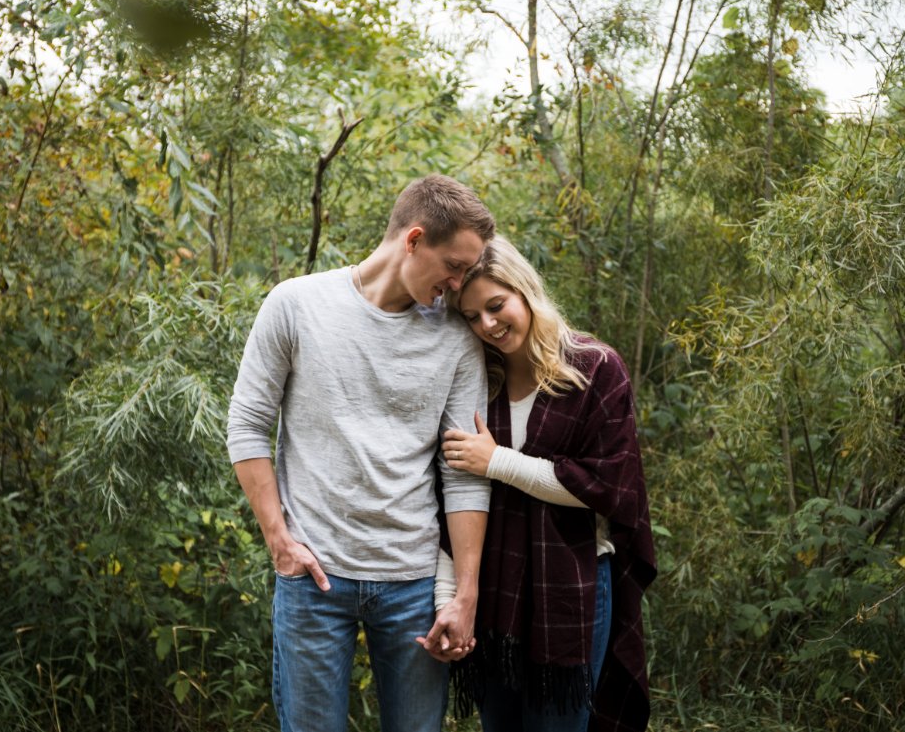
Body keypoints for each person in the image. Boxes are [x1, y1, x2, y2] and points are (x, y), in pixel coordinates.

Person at [226, 174, 495, 732]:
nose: (459, 282)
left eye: (467, 271)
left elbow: (465, 472)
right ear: (414, 239)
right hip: (314, 580)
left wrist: (464, 593)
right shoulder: (296, 304)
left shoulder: (458, 338)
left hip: (416, 584)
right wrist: (279, 539)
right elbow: (248, 424)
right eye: (455, 265)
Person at [432, 236, 657, 732]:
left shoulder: (594, 369)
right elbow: (448, 495)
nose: (487, 325)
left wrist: (498, 461)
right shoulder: (476, 381)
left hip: (572, 587)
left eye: (496, 306)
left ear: (524, 290)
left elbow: (605, 486)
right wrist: (448, 598)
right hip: (494, 589)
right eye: (472, 317)